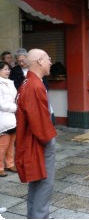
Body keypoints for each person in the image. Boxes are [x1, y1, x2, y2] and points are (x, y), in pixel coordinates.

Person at [15, 49, 57, 219]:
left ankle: (34, 216)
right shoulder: (34, 85)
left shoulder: (29, 82)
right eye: (48, 59)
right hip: (38, 142)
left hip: (30, 140)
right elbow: (38, 122)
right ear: (39, 61)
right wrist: (50, 140)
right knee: (45, 183)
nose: (50, 62)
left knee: (37, 182)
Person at [0, 61, 17, 177]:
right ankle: (0, 167)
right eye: (5, 69)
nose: (8, 71)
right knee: (3, 145)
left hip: (12, 118)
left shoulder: (10, 83)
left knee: (11, 144)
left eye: (8, 69)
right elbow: (1, 103)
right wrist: (16, 107)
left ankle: (10, 164)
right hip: (3, 118)